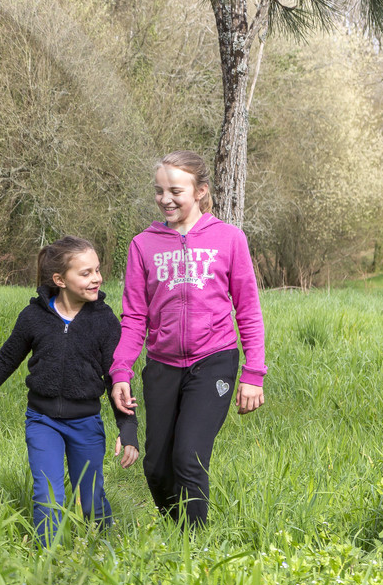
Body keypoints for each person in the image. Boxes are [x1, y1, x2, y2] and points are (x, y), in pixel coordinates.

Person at [110, 151, 266, 529]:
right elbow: (133, 317)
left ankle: (196, 549)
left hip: (214, 359)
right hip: (162, 365)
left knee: (188, 457)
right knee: (157, 468)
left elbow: (248, 309)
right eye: (159, 191)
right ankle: (177, 532)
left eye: (175, 191)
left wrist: (253, 374)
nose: (165, 199)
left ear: (200, 192)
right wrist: (120, 371)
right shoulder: (142, 245)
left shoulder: (229, 239)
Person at [0, 236, 138, 545]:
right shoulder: (33, 317)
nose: (96, 278)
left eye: (97, 270)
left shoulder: (104, 321)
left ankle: (107, 547)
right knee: (47, 494)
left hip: (86, 424)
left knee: (89, 500)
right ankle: (46, 557)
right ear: (60, 280)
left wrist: (127, 427)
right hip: (42, 420)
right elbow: (8, 357)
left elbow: (118, 377)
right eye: (85, 273)